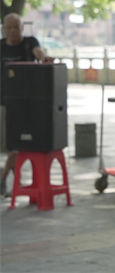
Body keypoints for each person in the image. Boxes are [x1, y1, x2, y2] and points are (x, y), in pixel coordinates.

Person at [1, 13, 54, 196]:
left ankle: (4, 177)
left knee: (19, 143)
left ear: (22, 28)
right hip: (4, 102)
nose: (13, 31)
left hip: (28, 102)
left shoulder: (29, 42)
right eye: (9, 27)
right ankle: (16, 183)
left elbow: (38, 52)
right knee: (12, 145)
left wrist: (44, 57)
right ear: (4, 29)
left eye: (17, 27)